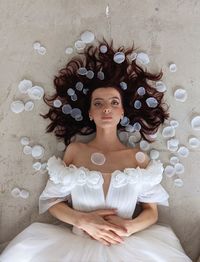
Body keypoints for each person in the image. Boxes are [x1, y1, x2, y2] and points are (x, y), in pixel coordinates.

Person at [1, 39, 192, 261]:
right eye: (98, 103)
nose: (107, 109)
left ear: (122, 112)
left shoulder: (136, 158)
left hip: (128, 246)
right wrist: (82, 221)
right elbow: (53, 201)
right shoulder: (76, 150)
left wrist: (129, 227)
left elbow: (152, 212)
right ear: (90, 113)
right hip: (74, 244)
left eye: (114, 103)